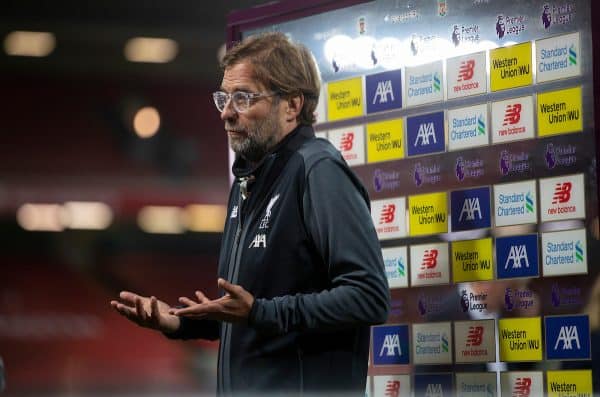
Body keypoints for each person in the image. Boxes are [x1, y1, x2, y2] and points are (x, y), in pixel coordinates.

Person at [111, 32, 390, 396]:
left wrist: (260, 312)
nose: (227, 112)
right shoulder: (248, 181)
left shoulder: (318, 171)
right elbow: (252, 311)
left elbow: (368, 296)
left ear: (291, 105)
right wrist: (181, 324)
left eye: (243, 97)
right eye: (223, 98)